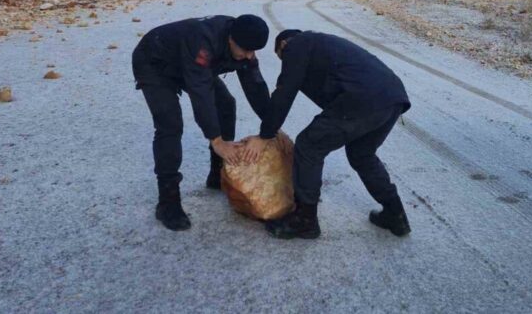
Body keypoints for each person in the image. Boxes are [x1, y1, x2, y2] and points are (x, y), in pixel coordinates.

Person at [241, 29, 412, 240]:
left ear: (283, 44)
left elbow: (285, 92)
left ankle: (305, 221)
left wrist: (265, 134)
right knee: (362, 155)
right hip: (393, 98)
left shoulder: (296, 45)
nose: (285, 61)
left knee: (309, 145)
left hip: (362, 98)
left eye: (281, 56)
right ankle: (395, 214)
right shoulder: (324, 47)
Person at [132, 14, 270, 231]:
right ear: (230, 39)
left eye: (253, 51)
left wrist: (269, 128)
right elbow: (200, 92)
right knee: (170, 124)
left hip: (191, 63)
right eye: (245, 50)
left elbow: (256, 87)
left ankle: (218, 175)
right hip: (155, 62)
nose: (249, 55)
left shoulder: (245, 43)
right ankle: (168, 202)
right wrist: (217, 140)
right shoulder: (204, 40)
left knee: (226, 104)